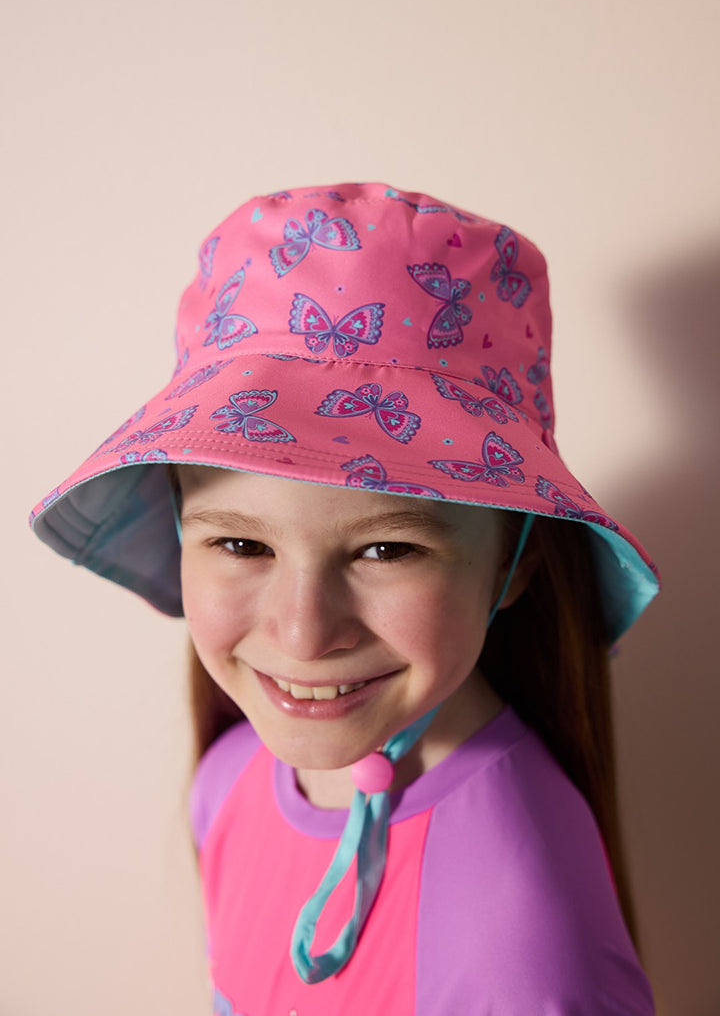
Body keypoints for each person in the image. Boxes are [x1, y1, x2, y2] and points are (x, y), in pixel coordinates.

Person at [31, 182, 659, 1015]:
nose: (302, 631)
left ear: (519, 559)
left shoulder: (523, 940)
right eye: (242, 543)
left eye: (385, 548)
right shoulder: (230, 781)